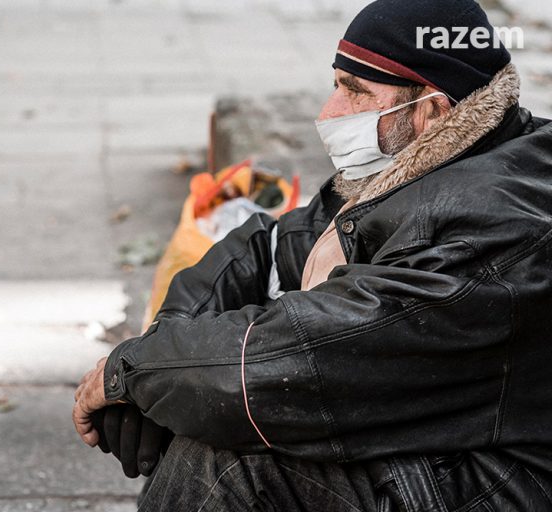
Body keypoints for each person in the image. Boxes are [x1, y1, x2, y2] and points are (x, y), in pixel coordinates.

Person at [73, 0, 552, 509]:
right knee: (202, 401)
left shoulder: (496, 227)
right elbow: (270, 247)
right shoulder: (435, 160)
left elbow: (309, 356)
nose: (329, 112)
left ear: (431, 112)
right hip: (450, 436)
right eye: (336, 84)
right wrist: (163, 351)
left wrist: (134, 371)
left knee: (228, 461)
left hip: (508, 477)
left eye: (354, 91)